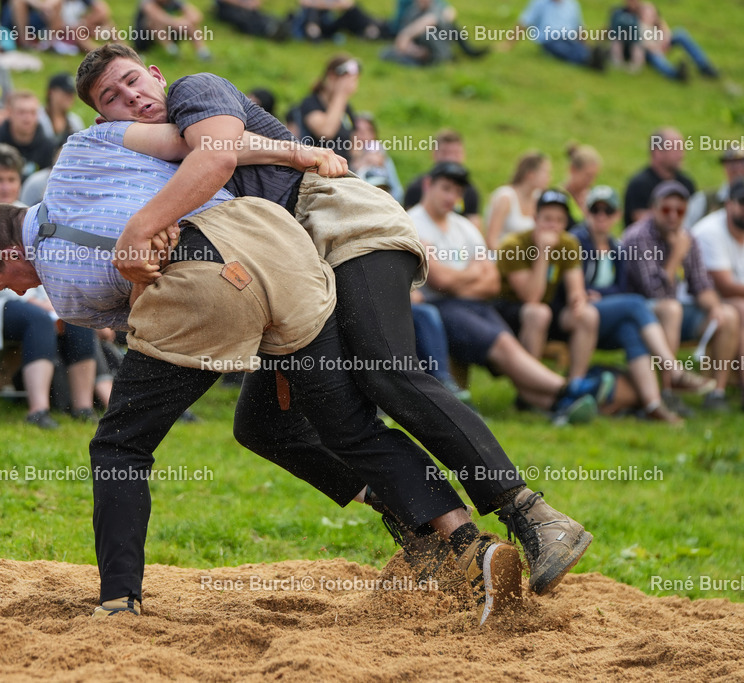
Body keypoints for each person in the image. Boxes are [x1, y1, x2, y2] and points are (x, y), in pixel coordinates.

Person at [0, 124, 533, 626]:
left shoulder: (60, 284)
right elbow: (206, 144)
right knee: (328, 426)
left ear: (0, 255)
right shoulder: (87, 148)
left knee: (119, 445)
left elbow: (149, 311)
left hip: (204, 285)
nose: (16, 292)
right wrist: (298, 152)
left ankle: (118, 599)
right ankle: (461, 542)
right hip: (280, 249)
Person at [75, 44, 593, 600]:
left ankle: (531, 513)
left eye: (133, 80)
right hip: (290, 271)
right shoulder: (148, 158)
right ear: (105, 121)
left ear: (155, 74)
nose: (132, 97)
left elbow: (217, 154)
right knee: (264, 425)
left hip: (339, 224)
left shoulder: (193, 89)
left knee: (384, 371)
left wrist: (139, 231)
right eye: (113, 97)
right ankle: (431, 531)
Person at [412, 162, 605, 424]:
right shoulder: (412, 224)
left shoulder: (464, 226)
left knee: (509, 350)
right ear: (428, 185)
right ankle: (568, 389)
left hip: (478, 305)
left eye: (457, 191)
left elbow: (491, 282)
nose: (451, 197)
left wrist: (456, 279)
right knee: (504, 346)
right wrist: (471, 272)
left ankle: (558, 405)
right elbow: (440, 282)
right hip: (440, 310)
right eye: (446, 188)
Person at [0, 143, 100, 427]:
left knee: (74, 314)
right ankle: (38, 409)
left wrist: (51, 299)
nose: (5, 187)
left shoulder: (25, 213)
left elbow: (40, 267)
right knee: (37, 318)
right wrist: (32, 301)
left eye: (11, 179)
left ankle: (83, 406)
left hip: (33, 298)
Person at [569, 185, 711, 423]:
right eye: (595, 210)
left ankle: (653, 404)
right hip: (581, 311)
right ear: (586, 212)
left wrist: (602, 295)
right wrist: (676, 256)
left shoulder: (616, 246)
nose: (602, 216)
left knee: (632, 330)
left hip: (610, 312)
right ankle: (673, 372)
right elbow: (578, 287)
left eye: (608, 210)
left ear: (617, 215)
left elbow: (621, 287)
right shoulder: (577, 241)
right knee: (638, 304)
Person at [623, 181, 740, 411]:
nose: (673, 216)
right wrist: (676, 255)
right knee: (671, 309)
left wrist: (715, 307)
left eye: (680, 210)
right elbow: (655, 292)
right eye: (667, 209)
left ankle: (716, 393)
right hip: (639, 312)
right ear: (654, 209)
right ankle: (668, 392)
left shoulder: (686, 237)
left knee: (729, 314)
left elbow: (701, 285)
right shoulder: (639, 237)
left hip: (675, 311)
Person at [494, 190, 603, 387]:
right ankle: (532, 388)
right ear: (535, 218)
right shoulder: (513, 245)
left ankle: (574, 386)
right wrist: (543, 252)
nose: (553, 225)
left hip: (548, 311)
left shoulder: (568, 243)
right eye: (547, 219)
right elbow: (531, 297)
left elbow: (576, 290)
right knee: (539, 313)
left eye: (559, 220)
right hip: (510, 312)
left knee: (588, 315)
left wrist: (578, 301)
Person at [691, 178, 744, 398]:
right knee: (739, 309)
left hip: (729, 302)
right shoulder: (709, 231)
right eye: (742, 202)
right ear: (728, 203)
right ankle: (722, 391)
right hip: (696, 305)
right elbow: (724, 286)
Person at [615, 0, 717, 81]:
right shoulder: (624, 14)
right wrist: (655, 48)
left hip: (658, 42)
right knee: (655, 56)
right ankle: (675, 74)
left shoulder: (647, 8)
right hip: (644, 50)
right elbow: (636, 40)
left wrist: (665, 40)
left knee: (680, 33)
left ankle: (705, 66)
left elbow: (662, 25)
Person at [403, 128, 480, 229]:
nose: (451, 159)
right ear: (434, 153)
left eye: (456, 153)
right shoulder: (415, 188)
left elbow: (475, 224)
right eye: (446, 153)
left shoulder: (470, 191)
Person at [623, 127, 695, 228]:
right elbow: (642, 223)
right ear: (658, 152)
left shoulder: (686, 183)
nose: (682, 155)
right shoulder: (640, 185)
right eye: (676, 148)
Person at [296, 55, 359, 166]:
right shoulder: (311, 102)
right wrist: (341, 94)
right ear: (331, 76)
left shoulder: (346, 107)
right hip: (317, 166)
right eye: (347, 79)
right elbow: (326, 132)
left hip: (343, 168)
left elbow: (354, 143)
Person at [510, 0, 606, 69]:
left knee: (577, 47)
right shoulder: (539, 2)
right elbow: (524, 23)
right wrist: (509, 44)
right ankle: (589, 60)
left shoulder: (572, 4)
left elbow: (579, 28)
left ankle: (592, 56)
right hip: (549, 39)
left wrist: (586, 45)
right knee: (562, 50)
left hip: (569, 38)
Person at [484, 151, 550, 251]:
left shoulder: (538, 197)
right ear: (530, 174)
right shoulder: (505, 197)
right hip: (502, 256)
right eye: (545, 173)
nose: (549, 177)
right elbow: (491, 241)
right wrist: (514, 256)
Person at [0, 90, 56, 182]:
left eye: (33, 113)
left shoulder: (48, 146)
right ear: (9, 113)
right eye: (22, 112)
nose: (27, 118)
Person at [349, 112, 403, 203]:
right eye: (358, 130)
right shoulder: (347, 151)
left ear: (373, 134)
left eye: (368, 130)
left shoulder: (375, 148)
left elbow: (395, 186)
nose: (363, 134)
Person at [686, 147, 744, 229]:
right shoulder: (704, 200)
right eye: (732, 164)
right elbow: (685, 229)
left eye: (741, 163)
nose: (737, 169)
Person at [132, 0, 211, 59]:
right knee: (153, 23)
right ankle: (172, 50)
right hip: (144, 38)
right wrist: (176, 22)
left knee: (189, 25)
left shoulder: (173, 2)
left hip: (168, 31)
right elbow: (158, 17)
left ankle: (202, 52)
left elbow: (196, 16)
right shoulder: (147, 2)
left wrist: (186, 21)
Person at [292, 0, 386, 42]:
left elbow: (348, 4)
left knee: (353, 10)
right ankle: (313, 33)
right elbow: (305, 3)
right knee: (312, 11)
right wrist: (331, 4)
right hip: (313, 23)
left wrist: (321, 4)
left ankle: (370, 28)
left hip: (329, 23)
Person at [37, 72, 85, 155]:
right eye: (65, 93)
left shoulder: (75, 121)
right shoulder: (37, 118)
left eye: (72, 93)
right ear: (51, 92)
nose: (70, 97)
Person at [560, 143, 601, 228]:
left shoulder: (592, 197)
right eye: (588, 176)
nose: (591, 182)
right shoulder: (558, 197)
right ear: (573, 169)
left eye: (594, 177)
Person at [214, 0, 289, 40]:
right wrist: (242, 4)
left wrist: (254, 3)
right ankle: (269, 29)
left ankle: (278, 25)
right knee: (242, 19)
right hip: (228, 7)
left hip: (247, 8)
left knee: (260, 15)